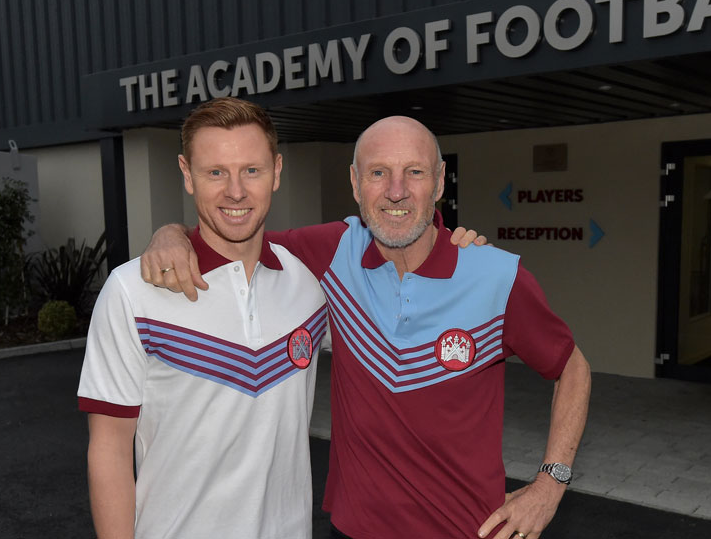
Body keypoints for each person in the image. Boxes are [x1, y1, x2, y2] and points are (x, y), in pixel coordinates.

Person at [142, 116, 592, 539]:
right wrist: (170, 234)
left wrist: (550, 485)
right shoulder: (331, 251)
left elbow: (571, 368)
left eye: (414, 172)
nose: (396, 191)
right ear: (355, 183)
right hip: (353, 529)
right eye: (378, 173)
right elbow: (232, 234)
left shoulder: (497, 276)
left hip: (467, 529)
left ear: (438, 182)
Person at [77, 97, 329, 538]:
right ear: (187, 174)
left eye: (252, 170)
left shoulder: (308, 285)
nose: (236, 190)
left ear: (277, 171)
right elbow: (110, 449)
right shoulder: (132, 291)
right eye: (216, 172)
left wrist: (462, 246)